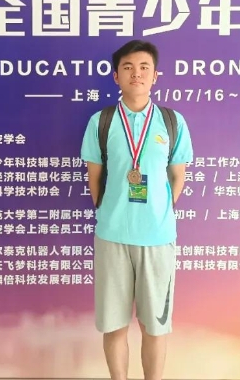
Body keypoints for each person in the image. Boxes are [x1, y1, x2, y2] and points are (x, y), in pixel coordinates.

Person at [80, 40, 193, 380]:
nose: (136, 74)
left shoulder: (172, 122)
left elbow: (178, 176)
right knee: (114, 325)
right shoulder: (101, 121)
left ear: (155, 76)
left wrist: (158, 211)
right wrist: (111, 211)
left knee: (154, 327)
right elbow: (94, 178)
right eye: (128, 67)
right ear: (116, 76)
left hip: (157, 238)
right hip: (112, 236)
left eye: (144, 67)